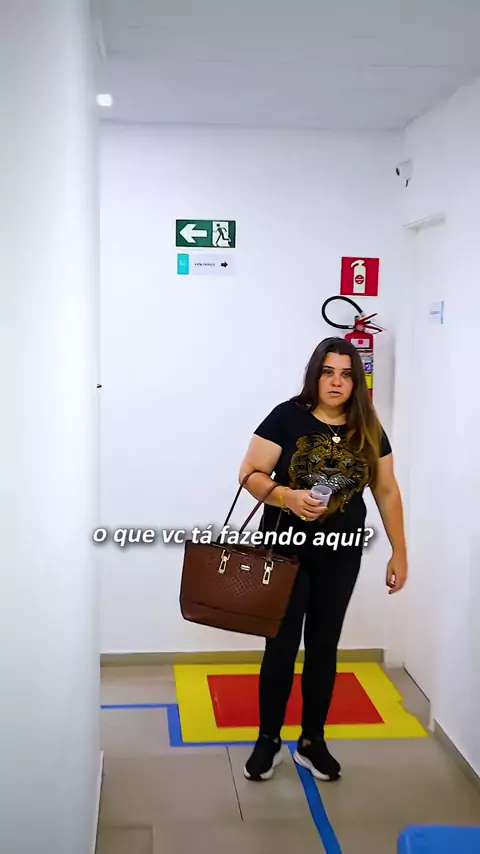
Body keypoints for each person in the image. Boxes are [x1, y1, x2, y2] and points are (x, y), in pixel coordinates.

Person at [238, 337, 407, 783]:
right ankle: (268, 740)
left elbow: (387, 490)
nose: (336, 382)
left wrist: (400, 551)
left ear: (356, 382)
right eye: (328, 372)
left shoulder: (368, 428)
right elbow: (249, 474)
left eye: (346, 374)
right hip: (284, 549)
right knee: (280, 646)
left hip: (340, 554)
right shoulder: (286, 416)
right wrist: (286, 496)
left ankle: (312, 741)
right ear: (315, 375)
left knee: (324, 646)